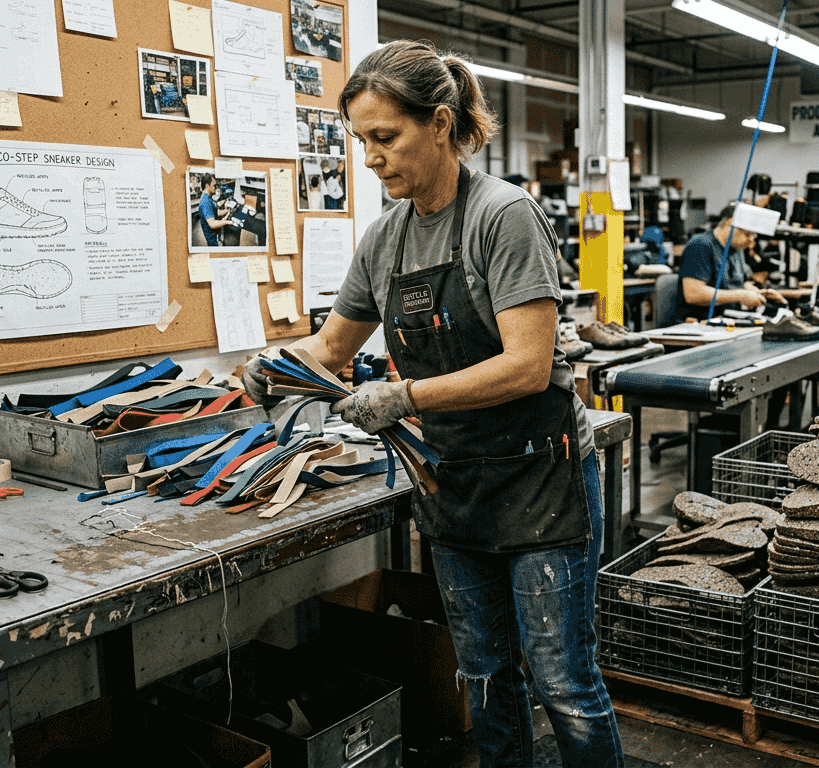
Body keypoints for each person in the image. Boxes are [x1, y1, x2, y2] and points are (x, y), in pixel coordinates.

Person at [241, 39, 624, 768]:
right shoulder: (384, 239)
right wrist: (275, 366)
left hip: (539, 479)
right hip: (452, 485)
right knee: (484, 677)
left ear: (441, 124)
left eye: (385, 137)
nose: (370, 158)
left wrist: (404, 394)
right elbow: (330, 348)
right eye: (361, 141)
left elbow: (527, 365)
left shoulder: (503, 216)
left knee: (563, 683)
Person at [674, 204, 784, 321]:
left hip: (729, 319)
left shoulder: (736, 250)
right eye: (747, 234)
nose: (751, 240)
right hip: (700, 322)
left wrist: (758, 293)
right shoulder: (700, 245)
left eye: (754, 235)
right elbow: (693, 294)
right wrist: (741, 295)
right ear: (729, 222)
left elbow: (736, 284)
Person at [196, 173, 230, 247]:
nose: (216, 187)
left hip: (216, 235)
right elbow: (213, 224)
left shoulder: (208, 197)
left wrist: (228, 211)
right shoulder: (206, 202)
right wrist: (228, 222)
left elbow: (216, 212)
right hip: (214, 240)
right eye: (214, 185)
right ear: (207, 185)